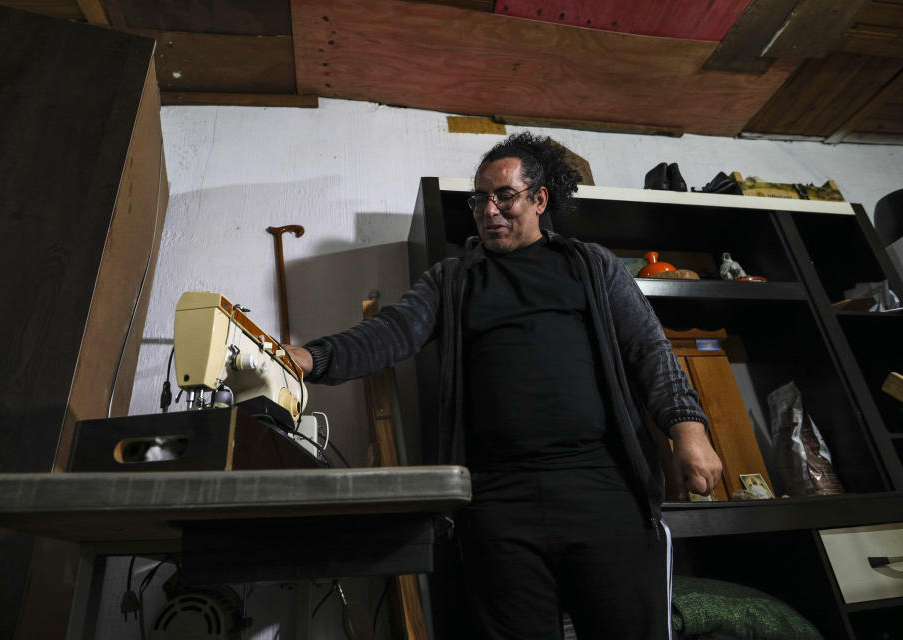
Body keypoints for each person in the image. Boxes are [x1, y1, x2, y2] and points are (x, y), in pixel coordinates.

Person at [285, 133, 722, 639]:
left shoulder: (590, 264)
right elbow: (391, 331)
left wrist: (688, 431)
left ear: (538, 200)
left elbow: (650, 350)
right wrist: (311, 357)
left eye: (504, 197)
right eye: (479, 200)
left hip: (601, 489)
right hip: (497, 501)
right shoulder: (452, 279)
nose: (489, 210)